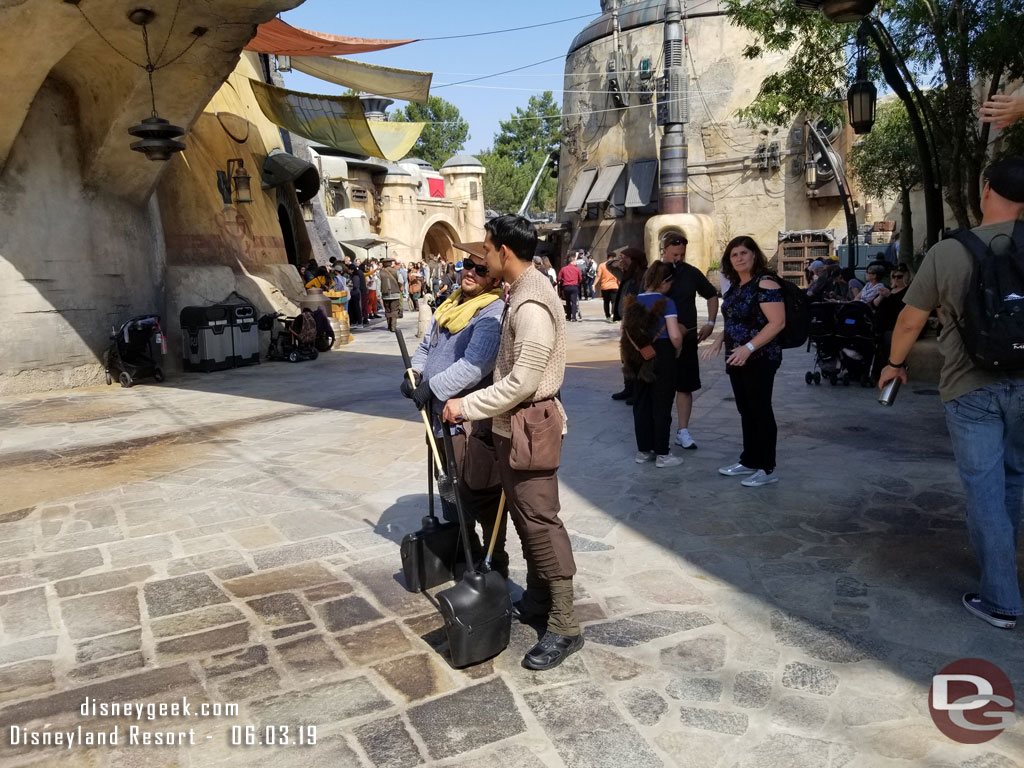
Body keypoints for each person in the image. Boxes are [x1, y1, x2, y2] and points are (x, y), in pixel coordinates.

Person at [879, 156, 1024, 630]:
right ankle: (1002, 569)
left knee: (984, 489)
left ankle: (1001, 597)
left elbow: (909, 321)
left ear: (985, 190)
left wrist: (895, 364)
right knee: (1016, 479)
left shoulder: (948, 252)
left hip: (969, 386)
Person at [443, 214, 582, 671]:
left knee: (541, 521)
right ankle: (541, 598)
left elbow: (524, 380)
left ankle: (564, 624)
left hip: (529, 425)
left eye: (486, 249)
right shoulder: (519, 293)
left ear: (505, 251)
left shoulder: (531, 304)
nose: (481, 257)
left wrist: (468, 406)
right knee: (524, 517)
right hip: (511, 427)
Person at [404, 243, 505, 572]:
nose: (471, 273)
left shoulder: (491, 313)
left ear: (494, 278)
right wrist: (415, 373)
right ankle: (468, 549)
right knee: (450, 491)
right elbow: (426, 345)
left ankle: (494, 561)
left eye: (481, 269)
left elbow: (475, 366)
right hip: (438, 420)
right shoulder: (449, 305)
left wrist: (430, 388)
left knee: (479, 492)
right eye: (467, 265)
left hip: (468, 423)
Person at [705, 236, 785, 487]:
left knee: (760, 410)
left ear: (753, 255)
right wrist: (719, 340)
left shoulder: (766, 284)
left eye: (743, 253)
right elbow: (735, 321)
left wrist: (748, 348)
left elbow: (777, 323)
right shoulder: (737, 287)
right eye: (734, 255)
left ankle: (767, 467)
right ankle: (750, 460)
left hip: (760, 357)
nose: (739, 258)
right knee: (746, 410)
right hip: (737, 357)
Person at [622, 261, 684, 468]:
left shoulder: (632, 301)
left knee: (641, 403)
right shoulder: (667, 302)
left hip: (637, 356)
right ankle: (663, 454)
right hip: (662, 353)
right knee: (662, 403)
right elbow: (674, 335)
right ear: (664, 282)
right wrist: (679, 348)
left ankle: (643, 451)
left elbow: (623, 332)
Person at [661, 233, 719, 451]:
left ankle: (683, 431)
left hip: (687, 339)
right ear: (664, 250)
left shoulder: (691, 273)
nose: (678, 258)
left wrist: (711, 322)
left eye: (682, 255)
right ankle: (660, 431)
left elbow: (711, 295)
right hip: (662, 341)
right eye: (674, 254)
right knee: (662, 387)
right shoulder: (655, 272)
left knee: (685, 386)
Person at [869, 263, 911, 382]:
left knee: (888, 340)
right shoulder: (889, 289)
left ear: (906, 277)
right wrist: (882, 296)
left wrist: (889, 297)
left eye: (899, 277)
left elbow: (901, 309)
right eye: (894, 276)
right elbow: (874, 304)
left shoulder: (907, 292)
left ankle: (886, 371)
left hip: (896, 326)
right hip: (881, 325)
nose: (896, 279)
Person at [379, 257, 403, 332]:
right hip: (395, 293)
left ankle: (389, 325)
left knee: (388, 310)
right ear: (390, 263)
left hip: (385, 294)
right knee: (394, 310)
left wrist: (379, 293)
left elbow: (378, 284)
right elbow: (401, 281)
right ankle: (393, 326)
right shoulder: (396, 271)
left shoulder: (380, 273)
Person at [595, 256, 620, 322]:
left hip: (604, 286)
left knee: (606, 302)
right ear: (613, 258)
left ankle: (607, 316)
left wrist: (594, 284)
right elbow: (619, 276)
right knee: (614, 302)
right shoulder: (615, 265)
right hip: (614, 286)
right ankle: (613, 314)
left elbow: (598, 275)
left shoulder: (601, 265)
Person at [557, 257, 582, 322]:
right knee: (574, 302)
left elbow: (559, 278)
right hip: (574, 286)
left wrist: (563, 280)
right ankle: (573, 317)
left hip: (566, 287)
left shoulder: (563, 269)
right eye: (575, 261)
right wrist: (577, 282)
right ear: (572, 261)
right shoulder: (577, 269)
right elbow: (580, 279)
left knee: (568, 302)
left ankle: (568, 316)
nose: (576, 262)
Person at [348, 261, 365, 328]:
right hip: (353, 293)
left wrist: (349, 286)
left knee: (356, 308)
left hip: (355, 293)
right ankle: (354, 322)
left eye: (349, 269)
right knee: (352, 308)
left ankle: (360, 322)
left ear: (352, 270)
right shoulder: (352, 276)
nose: (348, 271)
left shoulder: (355, 276)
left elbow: (355, 285)